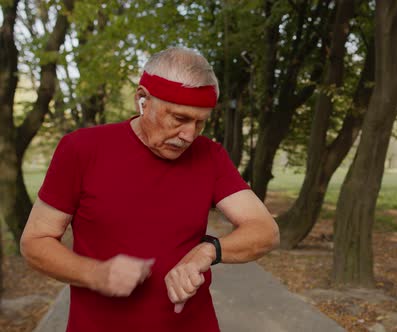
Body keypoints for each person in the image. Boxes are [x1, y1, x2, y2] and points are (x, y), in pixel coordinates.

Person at [20, 47, 280, 332]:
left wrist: (206, 252)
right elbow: (35, 242)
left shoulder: (211, 156)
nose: (189, 135)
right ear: (142, 100)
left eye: (200, 122)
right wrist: (94, 273)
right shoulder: (81, 150)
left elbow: (264, 230)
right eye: (179, 119)